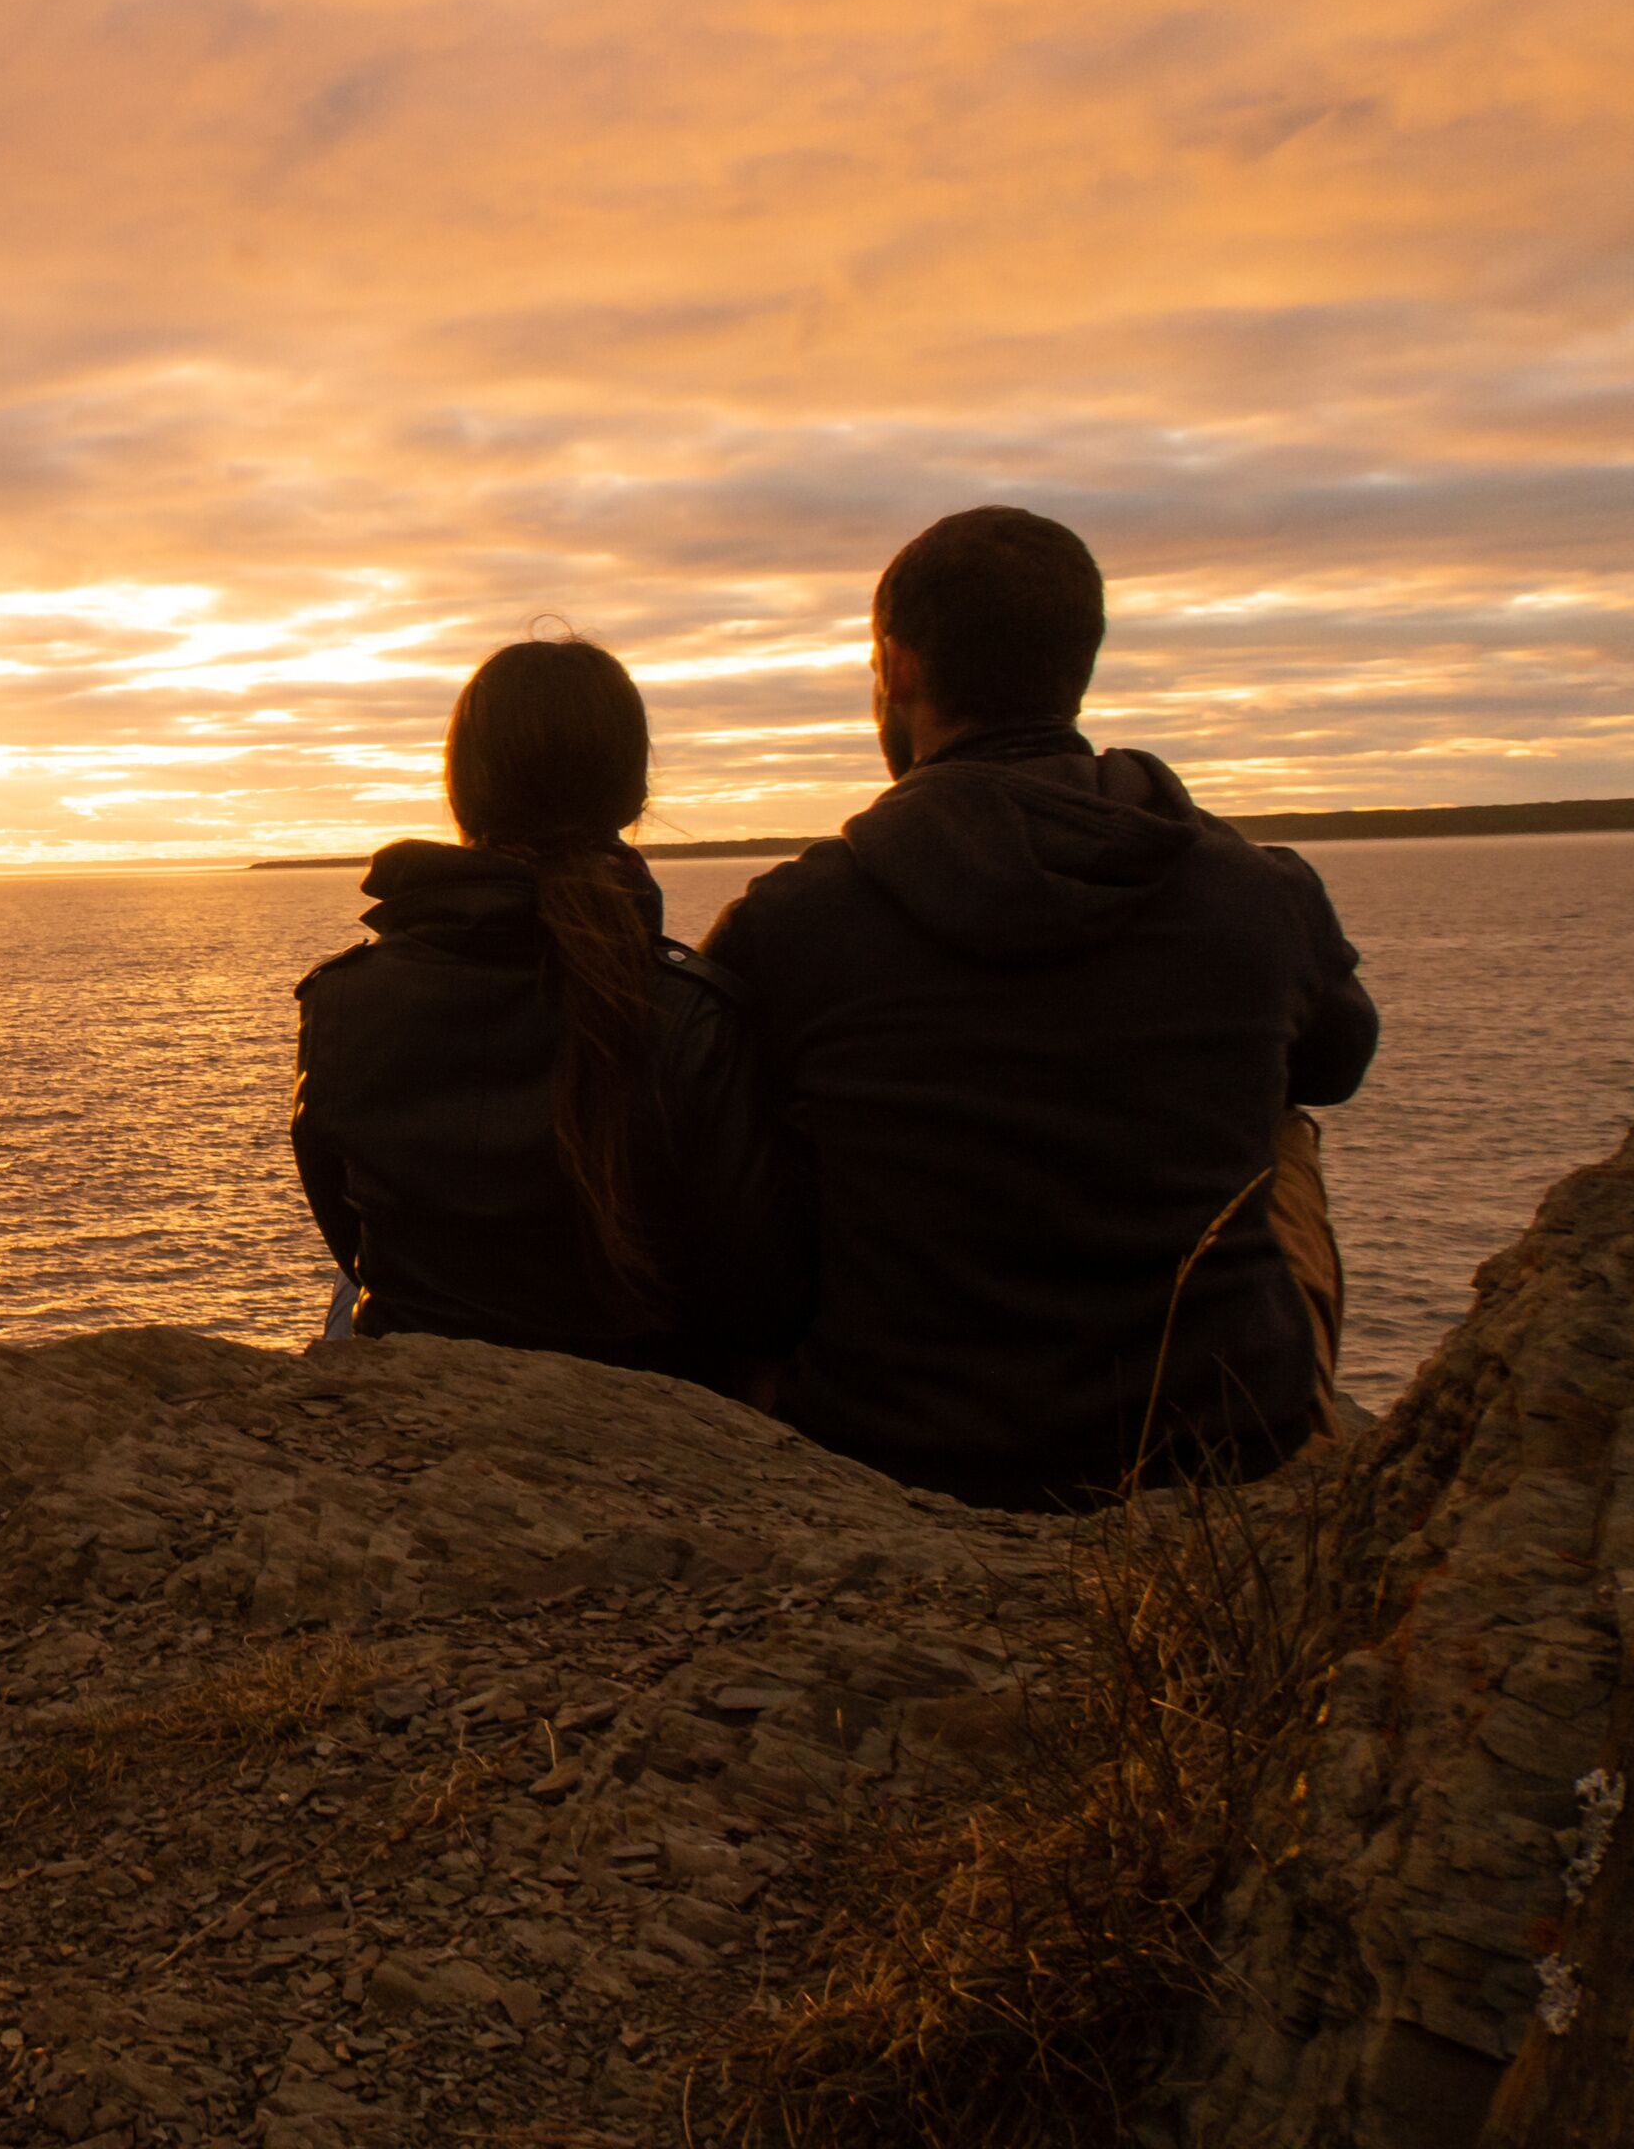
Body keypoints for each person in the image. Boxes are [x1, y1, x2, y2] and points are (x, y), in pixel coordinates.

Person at [703, 507, 1376, 1511]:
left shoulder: (794, 922)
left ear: (899, 666)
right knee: (1284, 1114)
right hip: (1222, 1440)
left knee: (757, 1110)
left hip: (892, 1441)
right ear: (1079, 665)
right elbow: (1340, 1058)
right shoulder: (1257, 894)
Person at [292, 635, 805, 1387]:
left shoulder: (340, 998)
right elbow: (760, 1296)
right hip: (652, 1396)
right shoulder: (690, 1010)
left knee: (358, 1283)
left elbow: (349, 1235)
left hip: (419, 1380)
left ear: (462, 793)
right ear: (633, 800)